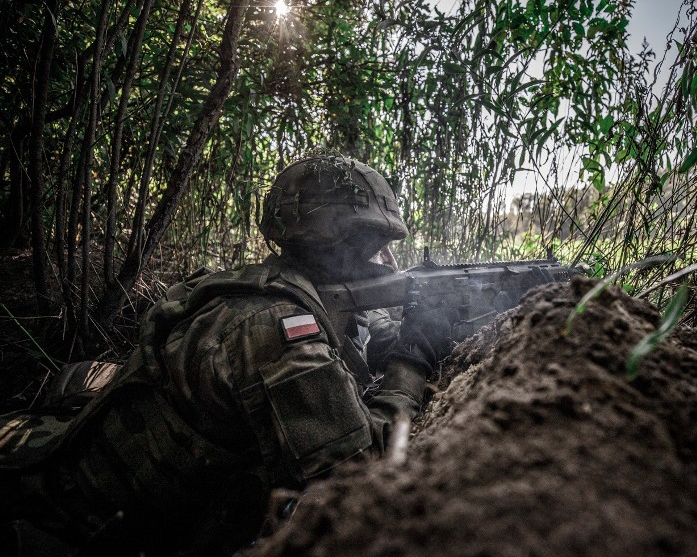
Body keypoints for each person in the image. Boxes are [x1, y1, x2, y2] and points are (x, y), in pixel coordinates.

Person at [0, 156, 454, 556]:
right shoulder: (273, 324)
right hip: (73, 520)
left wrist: (412, 323)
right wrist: (411, 362)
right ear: (346, 243)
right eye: (376, 242)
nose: (387, 259)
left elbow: (358, 334)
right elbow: (359, 477)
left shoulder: (279, 286)